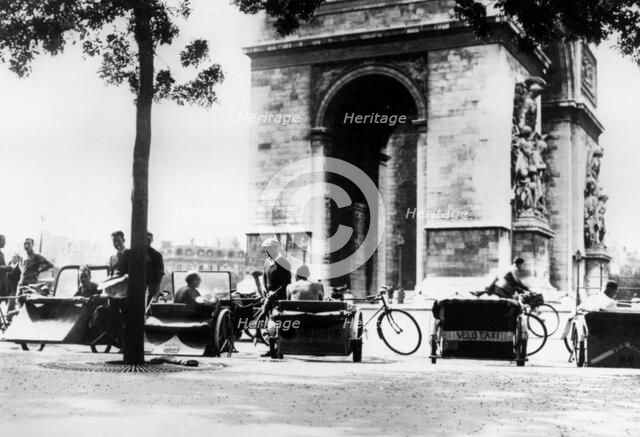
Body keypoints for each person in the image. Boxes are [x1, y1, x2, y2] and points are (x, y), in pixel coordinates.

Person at [262, 237, 291, 302]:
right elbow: (264, 279)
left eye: (268, 248)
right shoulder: (267, 262)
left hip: (280, 299)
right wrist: (264, 288)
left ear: (275, 249)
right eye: (265, 248)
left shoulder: (284, 262)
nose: (266, 251)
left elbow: (287, 283)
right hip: (268, 297)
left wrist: (275, 293)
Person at [146, 232, 165, 305]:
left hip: (153, 280)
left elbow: (160, 272)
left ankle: (149, 312)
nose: (147, 242)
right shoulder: (135, 253)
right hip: (140, 281)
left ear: (152, 240)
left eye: (148, 240)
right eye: (145, 239)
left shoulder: (156, 255)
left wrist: (157, 286)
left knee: (151, 298)